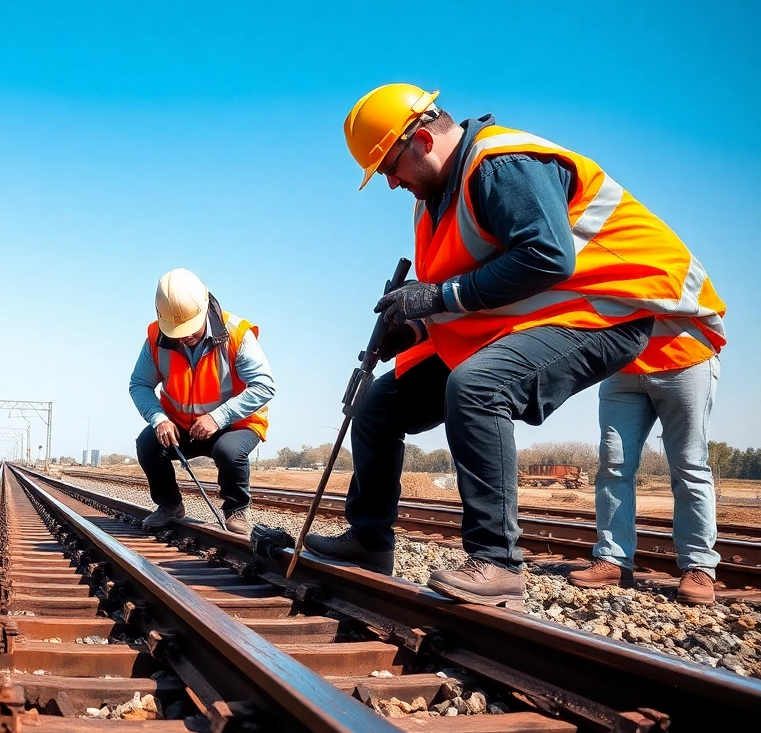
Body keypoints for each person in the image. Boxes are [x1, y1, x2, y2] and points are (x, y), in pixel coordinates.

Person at [305, 84, 723, 607]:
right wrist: (412, 326)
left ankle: (497, 561)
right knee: (378, 405)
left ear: (422, 141)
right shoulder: (434, 200)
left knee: (477, 387)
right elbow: (462, 291)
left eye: (389, 167)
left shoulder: (502, 164)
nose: (390, 184)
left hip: (610, 309)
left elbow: (547, 258)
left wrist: (436, 296)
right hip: (537, 318)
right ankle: (369, 539)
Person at [568, 312, 725, 605]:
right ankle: (613, 560)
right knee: (612, 466)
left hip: (684, 359)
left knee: (688, 466)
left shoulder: (680, 264)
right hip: (623, 366)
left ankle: (699, 567)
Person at [130, 268, 275, 536]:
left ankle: (237, 511)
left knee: (230, 452)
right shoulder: (155, 338)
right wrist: (159, 418)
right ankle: (170, 505)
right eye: (177, 331)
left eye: (189, 329)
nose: (184, 336)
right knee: (147, 444)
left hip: (235, 425)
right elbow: (139, 384)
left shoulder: (237, 334)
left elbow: (264, 385)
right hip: (181, 426)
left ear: (205, 306)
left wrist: (218, 417)